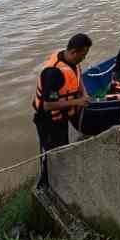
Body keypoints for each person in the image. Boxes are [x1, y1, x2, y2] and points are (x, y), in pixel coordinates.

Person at [32, 33, 92, 186]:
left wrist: (83, 93)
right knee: (49, 154)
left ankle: (63, 176)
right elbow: (48, 105)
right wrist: (78, 101)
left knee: (62, 147)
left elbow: (78, 76)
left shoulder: (71, 61)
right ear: (73, 52)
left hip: (62, 116)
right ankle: (45, 184)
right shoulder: (54, 73)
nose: (84, 58)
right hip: (48, 121)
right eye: (83, 55)